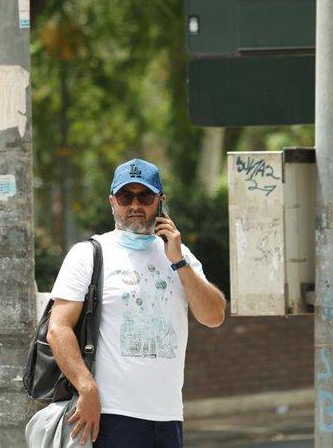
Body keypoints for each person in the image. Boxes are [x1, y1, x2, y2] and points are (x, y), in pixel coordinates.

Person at [47, 158, 227, 447]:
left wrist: (178, 261)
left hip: (168, 417)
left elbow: (214, 315)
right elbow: (58, 328)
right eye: (125, 196)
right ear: (112, 203)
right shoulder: (89, 254)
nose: (135, 205)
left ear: (160, 202)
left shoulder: (180, 255)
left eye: (144, 196)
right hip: (110, 416)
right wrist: (86, 387)